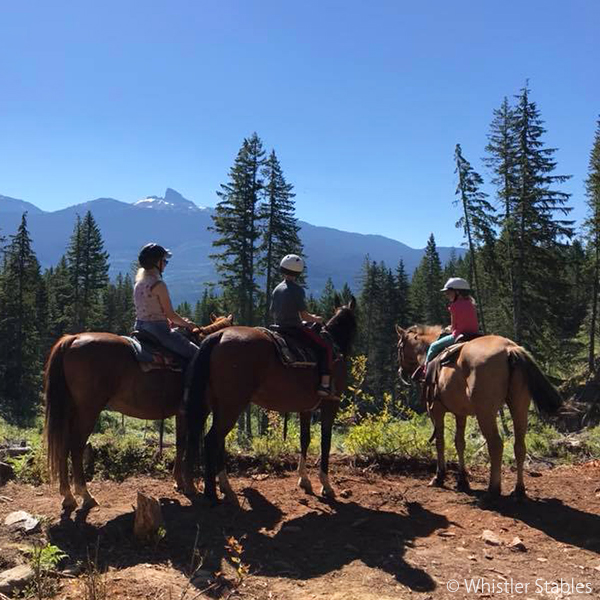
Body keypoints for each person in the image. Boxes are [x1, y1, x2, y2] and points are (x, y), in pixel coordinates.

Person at [133, 243, 200, 393]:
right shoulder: (158, 285)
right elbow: (170, 315)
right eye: (165, 261)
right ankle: (189, 395)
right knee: (198, 355)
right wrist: (188, 325)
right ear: (157, 263)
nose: (165, 265)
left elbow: (150, 310)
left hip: (140, 327)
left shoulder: (139, 283)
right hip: (159, 331)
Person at [271, 254, 335, 398]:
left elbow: (273, 310)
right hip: (294, 328)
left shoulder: (277, 288)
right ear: (298, 272)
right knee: (325, 348)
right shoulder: (297, 290)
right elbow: (304, 316)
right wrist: (316, 319)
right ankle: (324, 385)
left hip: (278, 327)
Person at [412, 277, 479, 381]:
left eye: (449, 293)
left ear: (458, 292)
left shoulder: (454, 306)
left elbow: (453, 327)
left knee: (433, 347)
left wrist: (448, 329)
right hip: (475, 334)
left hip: (459, 335)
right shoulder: (471, 303)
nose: (447, 295)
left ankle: (425, 371)